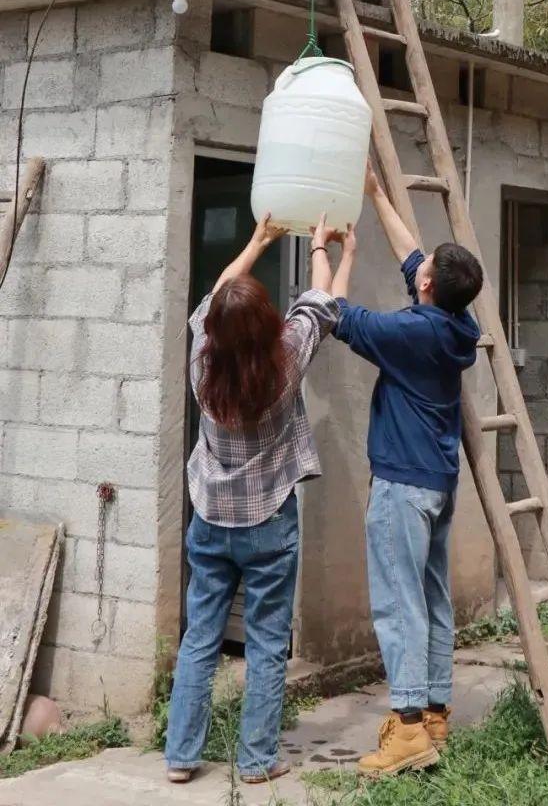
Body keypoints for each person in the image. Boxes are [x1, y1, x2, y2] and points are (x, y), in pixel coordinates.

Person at [164, 213, 341, 786]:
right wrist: (318, 245)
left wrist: (258, 239)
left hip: (211, 518)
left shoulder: (200, 361)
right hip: (269, 521)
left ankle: (180, 757)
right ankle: (259, 760)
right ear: (267, 322)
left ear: (215, 327)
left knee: (200, 639)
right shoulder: (283, 362)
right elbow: (317, 304)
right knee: (266, 643)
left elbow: (213, 300)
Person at [331, 166, 484, 777]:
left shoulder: (407, 333)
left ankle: (410, 729)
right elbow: (412, 253)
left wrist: (330, 251)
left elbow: (338, 316)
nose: (417, 267)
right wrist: (373, 193)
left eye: (423, 270)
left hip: (401, 485)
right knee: (432, 596)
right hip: (439, 484)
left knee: (399, 606)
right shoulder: (458, 325)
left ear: (426, 287)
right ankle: (437, 710)